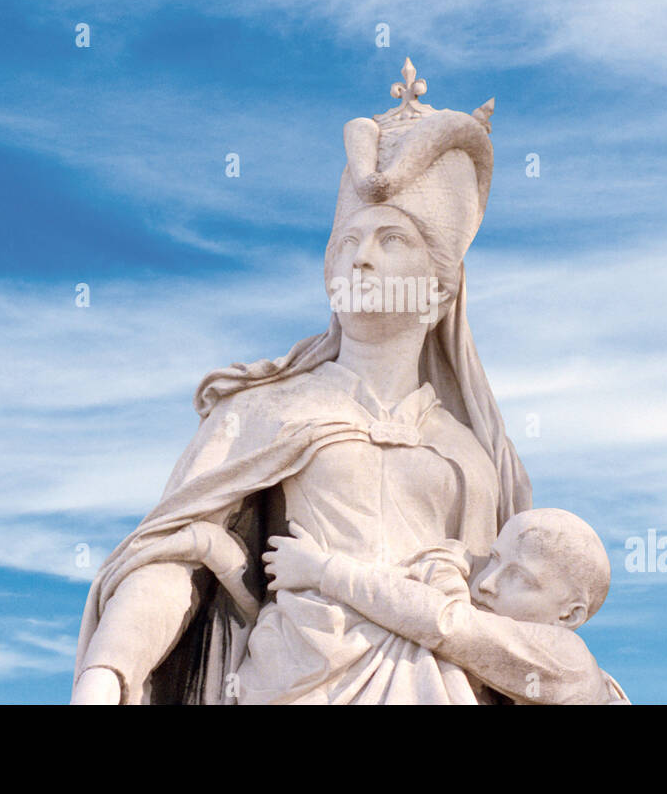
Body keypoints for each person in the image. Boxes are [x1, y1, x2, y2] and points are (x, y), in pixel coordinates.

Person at [72, 61, 532, 704]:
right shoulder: (260, 411)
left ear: (439, 289)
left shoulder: (474, 457)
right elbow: (173, 558)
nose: (360, 255)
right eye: (347, 240)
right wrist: (109, 670)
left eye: (391, 238)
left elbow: (512, 617)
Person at [264, 508, 631, 705]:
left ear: (570, 615)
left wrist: (322, 570)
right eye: (493, 560)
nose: (487, 583)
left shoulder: (567, 657)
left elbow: (448, 624)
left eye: (519, 577)